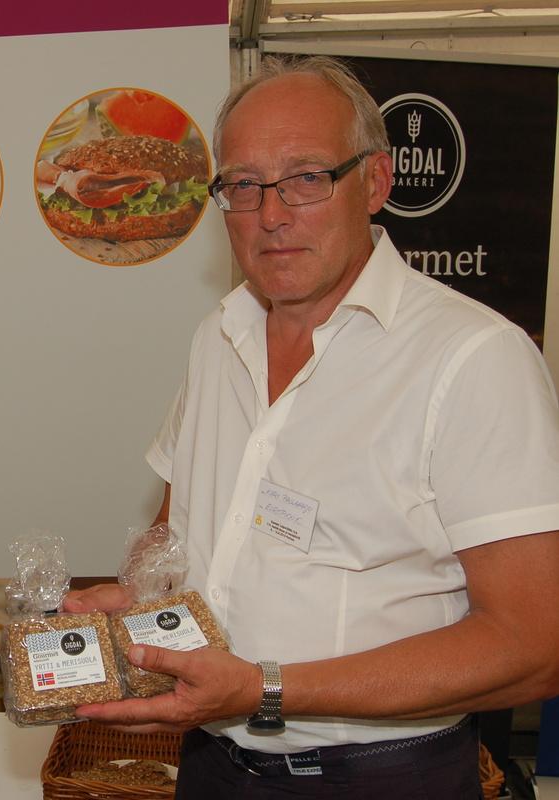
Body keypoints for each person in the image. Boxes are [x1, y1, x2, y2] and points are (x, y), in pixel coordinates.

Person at [66, 55, 559, 798]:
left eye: (305, 177)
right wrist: (139, 597)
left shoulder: (473, 358)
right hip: (210, 765)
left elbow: (533, 645)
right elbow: (178, 533)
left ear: (376, 182)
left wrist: (264, 688)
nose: (270, 214)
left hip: (379, 779)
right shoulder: (217, 336)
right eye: (243, 184)